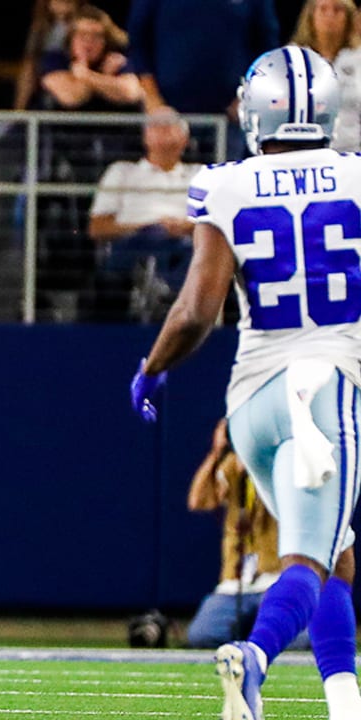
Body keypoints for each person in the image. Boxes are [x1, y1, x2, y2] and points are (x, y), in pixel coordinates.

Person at [131, 46, 361, 720]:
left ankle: (344, 699)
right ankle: (254, 659)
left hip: (253, 400)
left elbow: (196, 310)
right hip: (327, 384)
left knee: (334, 553)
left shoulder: (228, 182)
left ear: (255, 110)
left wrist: (152, 368)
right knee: (308, 563)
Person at [185, 419, 311, 651]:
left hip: (276, 578)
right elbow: (198, 501)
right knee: (202, 635)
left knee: (301, 640)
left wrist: (262, 466)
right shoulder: (232, 468)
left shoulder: (287, 466)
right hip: (237, 583)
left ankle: (264, 635)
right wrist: (217, 453)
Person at [87, 108, 201, 322]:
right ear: (145, 137)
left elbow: (216, 220)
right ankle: (160, 292)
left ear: (185, 139)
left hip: (185, 241)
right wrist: (145, 226)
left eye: (170, 126)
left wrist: (185, 227)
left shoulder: (200, 174)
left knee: (196, 251)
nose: (163, 130)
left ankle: (162, 293)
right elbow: (97, 228)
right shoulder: (122, 171)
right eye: (157, 126)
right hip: (133, 241)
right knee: (154, 235)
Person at [127, 0, 279, 161]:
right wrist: (153, 100)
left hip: (229, 118)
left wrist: (248, 95)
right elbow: (138, 42)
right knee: (164, 184)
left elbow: (267, 47)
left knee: (226, 184)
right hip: (167, 115)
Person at [290, 0, 361, 152]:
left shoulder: (358, 58)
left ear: (349, 17)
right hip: (304, 154)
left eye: (337, 10)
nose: (330, 16)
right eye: (323, 9)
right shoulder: (292, 59)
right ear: (310, 16)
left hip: (352, 154)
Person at [16, 0, 86, 110]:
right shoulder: (40, 29)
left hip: (76, 86)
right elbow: (29, 69)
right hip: (46, 89)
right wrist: (20, 108)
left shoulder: (87, 23)